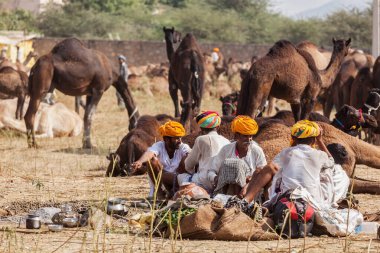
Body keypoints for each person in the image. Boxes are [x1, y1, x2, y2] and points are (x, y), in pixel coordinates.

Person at [241, 120, 334, 204]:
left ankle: (246, 201)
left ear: (294, 138)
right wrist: (320, 141)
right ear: (314, 139)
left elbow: (272, 167)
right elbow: (331, 161)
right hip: (313, 201)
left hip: (288, 197)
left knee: (269, 168)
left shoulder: (287, 153)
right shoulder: (320, 155)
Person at [207, 115, 267, 196]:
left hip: (248, 192)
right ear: (236, 136)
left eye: (251, 136)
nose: (249, 139)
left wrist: (247, 185)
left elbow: (263, 173)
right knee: (235, 165)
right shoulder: (226, 150)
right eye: (245, 136)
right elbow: (211, 171)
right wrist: (216, 178)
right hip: (226, 191)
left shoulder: (257, 151)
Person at [131, 121, 191, 198]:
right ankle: (159, 192)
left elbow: (190, 155)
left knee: (186, 159)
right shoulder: (159, 146)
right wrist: (140, 161)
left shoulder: (183, 147)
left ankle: (175, 191)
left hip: (176, 180)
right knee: (152, 160)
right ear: (166, 139)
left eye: (180, 138)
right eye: (176, 138)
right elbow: (150, 153)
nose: (180, 141)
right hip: (161, 180)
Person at [177, 111, 230, 192]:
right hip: (222, 183)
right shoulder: (227, 141)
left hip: (204, 182)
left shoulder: (201, 139)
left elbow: (188, 165)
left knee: (179, 177)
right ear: (218, 126)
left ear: (201, 128)